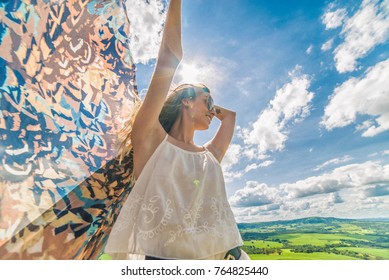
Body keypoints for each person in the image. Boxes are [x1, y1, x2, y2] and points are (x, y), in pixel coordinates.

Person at [104, 0, 249, 260]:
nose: (212, 108)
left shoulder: (209, 157)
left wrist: (209, 106)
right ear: (186, 101)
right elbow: (169, 57)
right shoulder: (152, 140)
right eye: (207, 99)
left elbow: (231, 118)